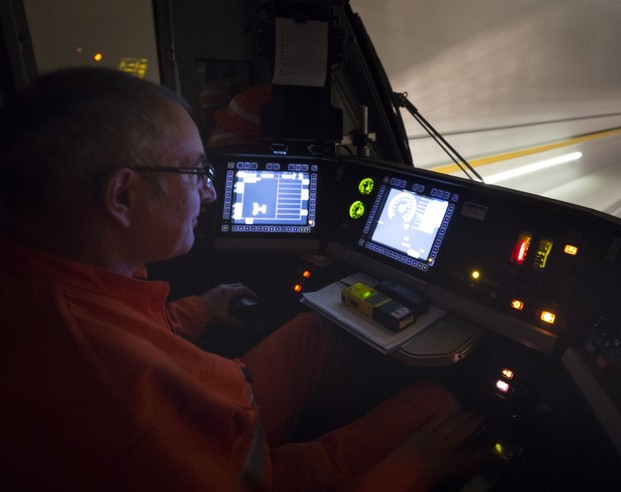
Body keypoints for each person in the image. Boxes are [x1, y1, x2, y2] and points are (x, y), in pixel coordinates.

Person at [0, 67, 483, 491]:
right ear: (123, 197)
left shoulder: (49, 280)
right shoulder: (128, 411)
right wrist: (405, 474)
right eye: (195, 171)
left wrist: (198, 310)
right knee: (435, 400)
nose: (209, 194)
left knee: (315, 328)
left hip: (221, 421)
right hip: (246, 468)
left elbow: (115, 322)